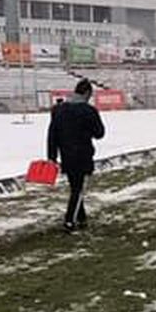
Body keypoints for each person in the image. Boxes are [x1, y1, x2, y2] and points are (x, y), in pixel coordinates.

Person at [47, 79, 105, 232]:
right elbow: (99, 133)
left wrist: (52, 157)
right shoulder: (88, 111)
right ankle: (69, 220)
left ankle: (81, 218)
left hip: (66, 154)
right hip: (83, 154)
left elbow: (52, 135)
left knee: (75, 186)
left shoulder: (59, 110)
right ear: (87, 93)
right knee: (78, 189)